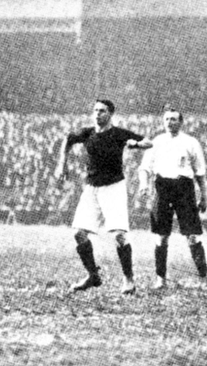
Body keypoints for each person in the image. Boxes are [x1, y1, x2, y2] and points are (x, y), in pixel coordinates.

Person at [54, 99, 151, 295]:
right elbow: (68, 139)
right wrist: (61, 163)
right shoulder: (88, 133)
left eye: (102, 111)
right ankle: (93, 275)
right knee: (79, 233)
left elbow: (149, 142)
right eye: (95, 110)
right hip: (92, 188)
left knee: (119, 235)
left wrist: (136, 144)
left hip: (113, 187)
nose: (97, 114)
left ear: (110, 114)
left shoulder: (118, 134)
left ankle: (128, 279)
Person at [138, 106, 207, 290]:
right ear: (163, 122)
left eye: (174, 119)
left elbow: (200, 173)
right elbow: (145, 167)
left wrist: (204, 197)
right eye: (167, 119)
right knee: (161, 237)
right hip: (162, 188)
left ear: (181, 122)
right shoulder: (157, 142)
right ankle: (160, 279)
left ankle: (204, 279)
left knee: (192, 236)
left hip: (184, 189)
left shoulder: (191, 142)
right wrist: (144, 184)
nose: (170, 122)